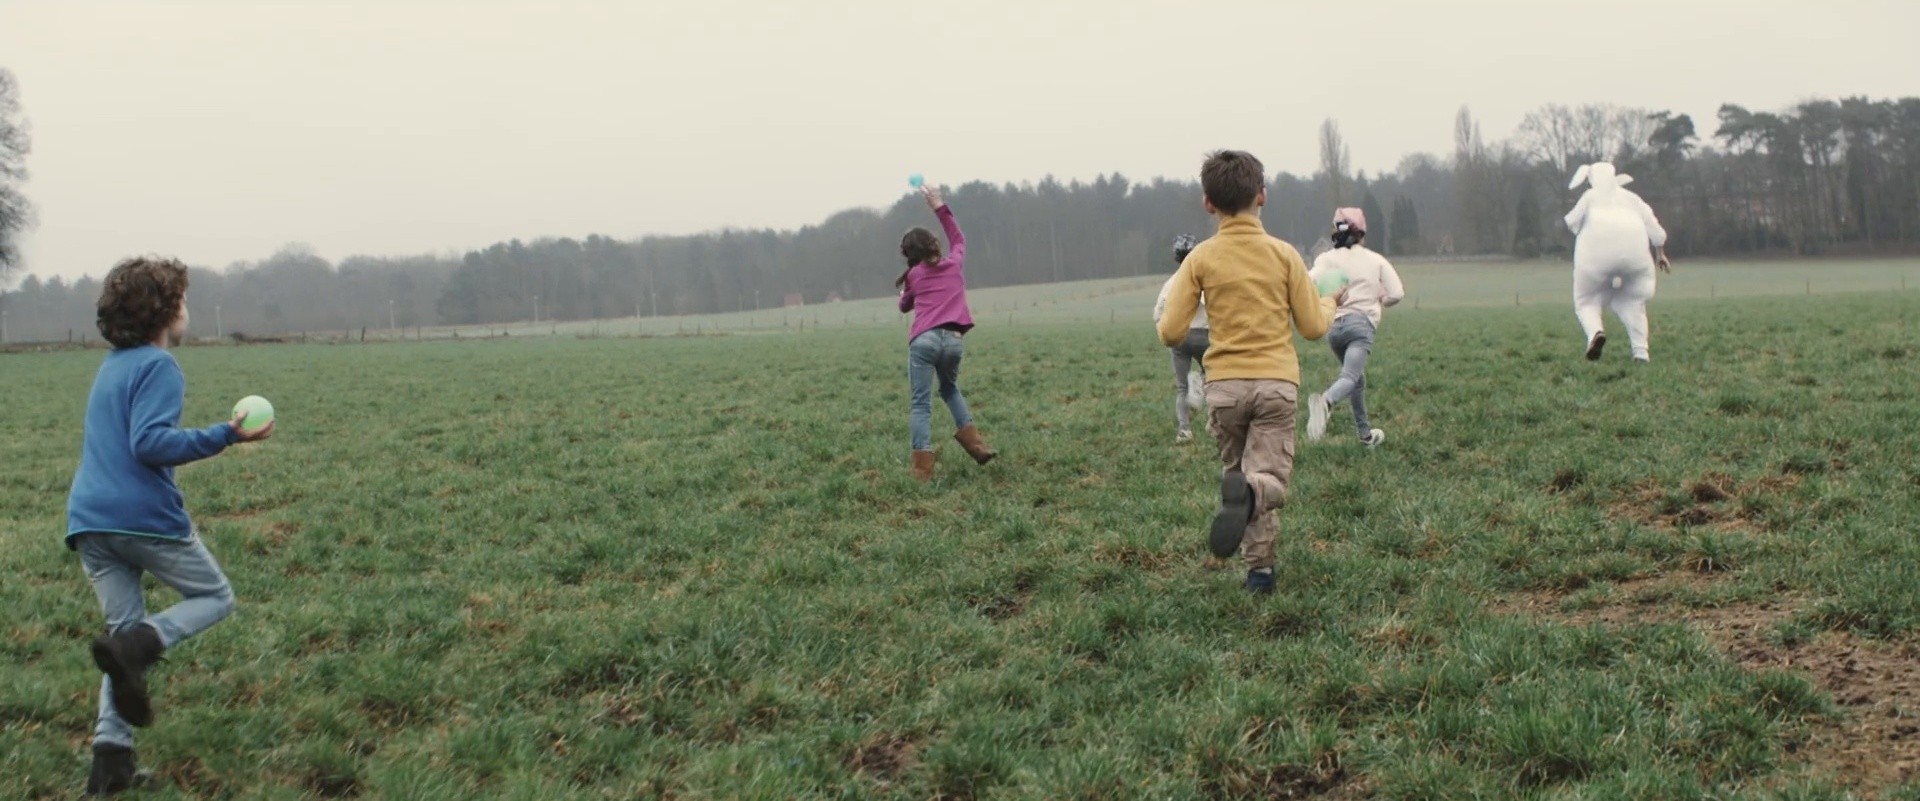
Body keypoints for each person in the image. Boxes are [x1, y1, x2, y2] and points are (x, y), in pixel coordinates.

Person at [66, 256, 273, 795]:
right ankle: (144, 643)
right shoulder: (159, 366)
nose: (188, 308)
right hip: (142, 519)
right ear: (165, 311)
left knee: (119, 642)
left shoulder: (112, 365)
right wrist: (225, 435)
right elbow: (151, 442)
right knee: (215, 595)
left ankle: (110, 764)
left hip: (90, 521)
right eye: (182, 299)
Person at [1157, 150, 1340, 594]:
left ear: (1208, 203)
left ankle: (1259, 574)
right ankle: (1253, 511)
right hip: (1276, 384)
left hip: (1224, 390)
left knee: (1239, 475)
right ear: (1262, 196)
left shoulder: (1200, 259)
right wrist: (1332, 301)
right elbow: (1314, 327)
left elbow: (1171, 331)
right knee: (1267, 481)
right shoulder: (1284, 256)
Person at [897, 183, 995, 482]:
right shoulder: (953, 264)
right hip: (953, 340)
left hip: (924, 341)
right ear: (933, 244)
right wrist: (938, 205)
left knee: (920, 404)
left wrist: (905, 291)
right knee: (950, 389)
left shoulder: (913, 275)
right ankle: (977, 446)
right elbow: (958, 237)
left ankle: (922, 471)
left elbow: (904, 307)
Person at [1305, 207, 1405, 447]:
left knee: (1356, 380)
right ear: (1362, 234)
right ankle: (1325, 403)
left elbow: (1308, 282)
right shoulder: (1375, 260)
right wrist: (1381, 299)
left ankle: (1365, 435)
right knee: (1350, 376)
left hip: (1334, 327)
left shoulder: (1326, 259)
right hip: (1361, 326)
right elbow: (1397, 293)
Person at [1564, 161, 1672, 363]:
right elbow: (1654, 228)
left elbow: (1571, 221)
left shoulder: (1590, 196)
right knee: (1632, 302)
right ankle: (1641, 352)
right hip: (1635, 260)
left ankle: (1595, 332)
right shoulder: (1632, 198)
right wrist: (1660, 253)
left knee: (1585, 301)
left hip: (1596, 260)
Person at [1152, 233, 1208, 443]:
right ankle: (1214, 423)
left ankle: (1184, 430)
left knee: (1181, 386)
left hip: (1179, 338)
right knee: (1213, 380)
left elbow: (1158, 313)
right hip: (1205, 335)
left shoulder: (1170, 284)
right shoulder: (1203, 279)